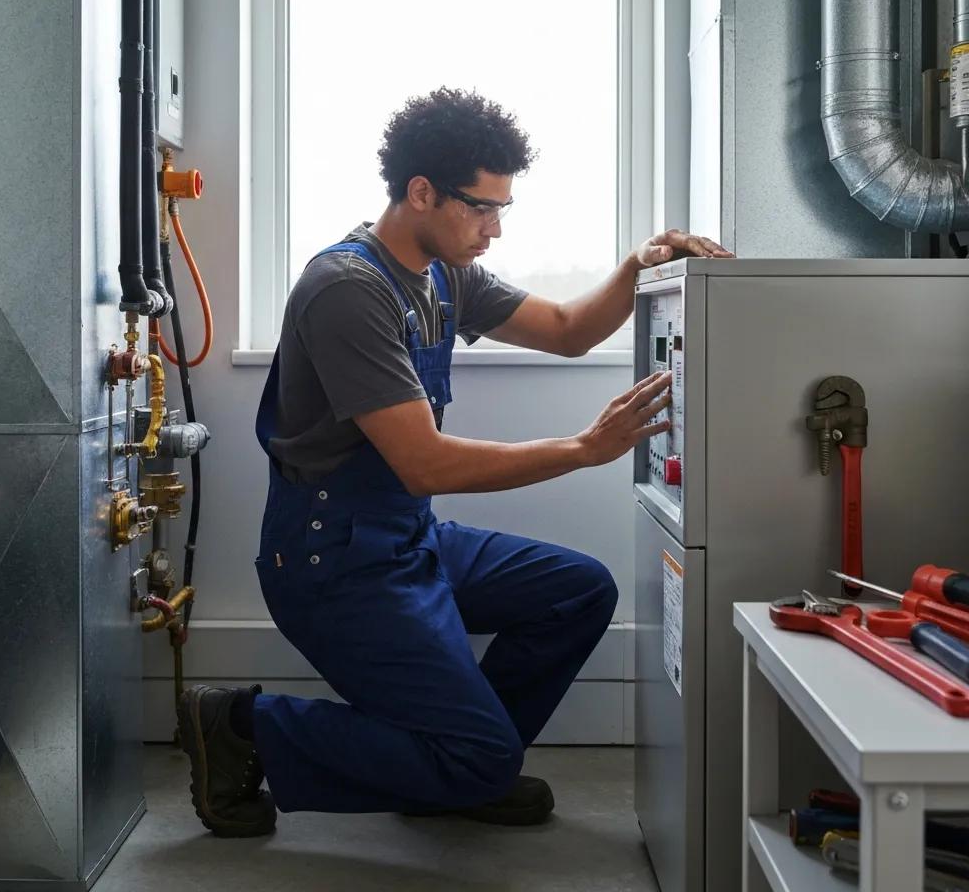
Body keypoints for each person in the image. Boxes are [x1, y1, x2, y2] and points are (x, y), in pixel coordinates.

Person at [177, 87, 732, 838]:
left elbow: (569, 330)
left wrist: (639, 264)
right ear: (420, 192)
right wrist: (581, 450)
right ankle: (245, 723)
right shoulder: (350, 289)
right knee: (481, 756)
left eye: (503, 209)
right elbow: (424, 465)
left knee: (578, 592)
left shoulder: (445, 274)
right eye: (481, 208)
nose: (494, 229)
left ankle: (455, 765)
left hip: (405, 540)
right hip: (330, 560)